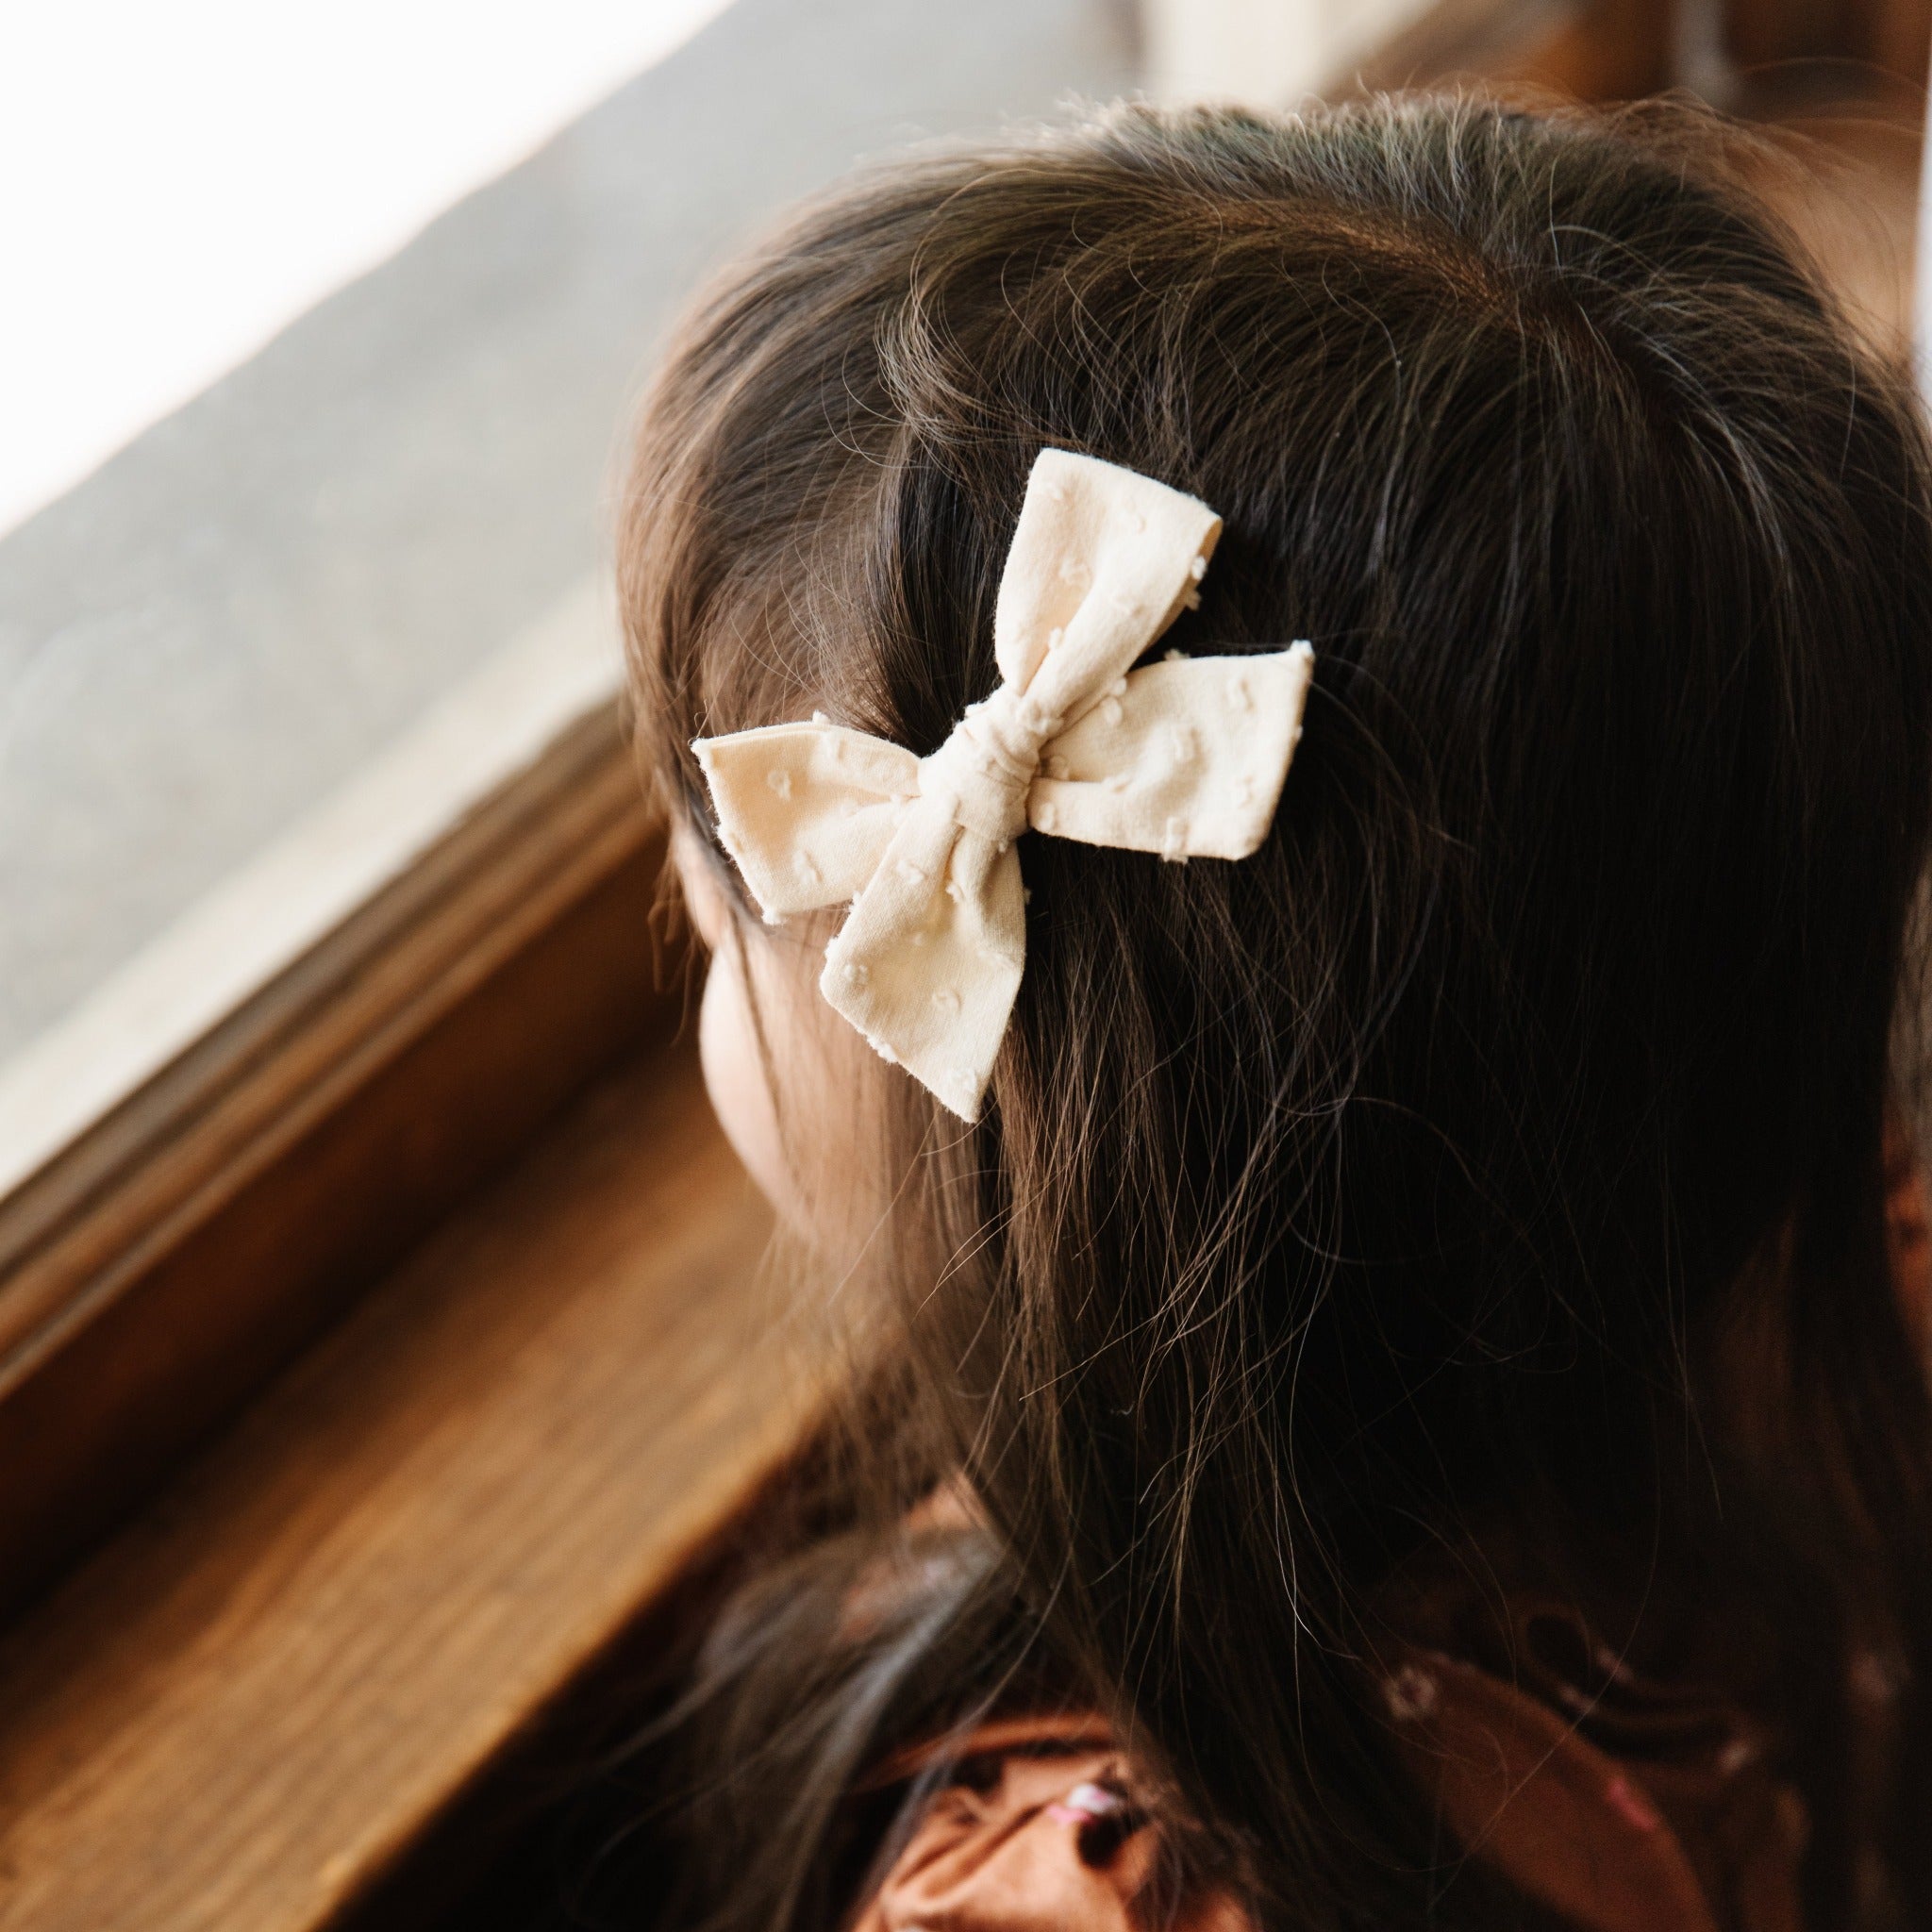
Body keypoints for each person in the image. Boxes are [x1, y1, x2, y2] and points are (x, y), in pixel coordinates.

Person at [612, 92, 1932, 1930]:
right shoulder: (1801, 1283)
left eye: (745, 873)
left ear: (1085, 1102)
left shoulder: (1103, 1891)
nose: (691, 889)